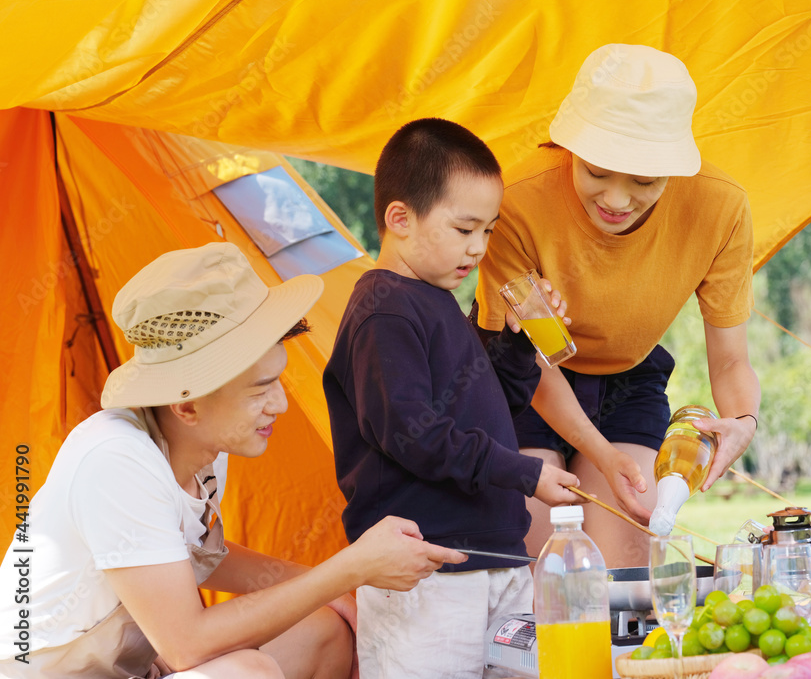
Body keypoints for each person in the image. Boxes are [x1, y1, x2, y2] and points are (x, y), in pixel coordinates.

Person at [0, 242, 466, 679]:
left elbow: (188, 552)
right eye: (260, 388)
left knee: (322, 630)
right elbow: (186, 644)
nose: (280, 405)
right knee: (247, 673)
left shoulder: (198, 445)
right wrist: (350, 568)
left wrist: (337, 591)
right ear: (187, 406)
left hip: (132, 668)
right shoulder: (115, 460)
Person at [474, 43, 761, 566]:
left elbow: (730, 359)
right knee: (538, 563)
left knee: (624, 568)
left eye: (645, 181)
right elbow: (530, 360)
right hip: (523, 375)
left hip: (631, 378)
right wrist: (598, 452)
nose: (616, 200)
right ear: (570, 150)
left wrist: (742, 419)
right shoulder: (515, 199)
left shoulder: (721, 208)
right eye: (597, 172)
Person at [323, 118, 580, 679]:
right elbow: (415, 436)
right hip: (426, 574)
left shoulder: (438, 300)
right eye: (465, 229)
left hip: (497, 560)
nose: (479, 249)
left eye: (488, 231)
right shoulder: (384, 311)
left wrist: (514, 344)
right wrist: (524, 474)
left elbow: (490, 417)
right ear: (400, 218)